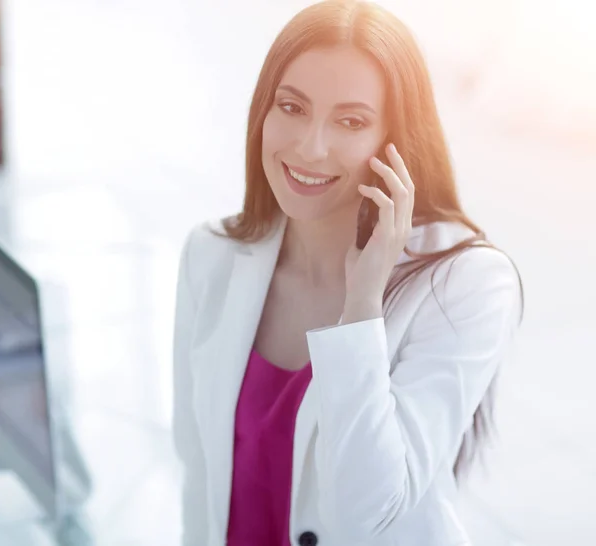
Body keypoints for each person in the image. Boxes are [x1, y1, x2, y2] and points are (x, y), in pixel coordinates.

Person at [172, 1, 524, 545]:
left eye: (351, 120)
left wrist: (363, 310)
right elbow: (199, 474)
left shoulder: (467, 284)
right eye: (292, 107)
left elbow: (369, 511)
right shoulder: (210, 255)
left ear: (397, 142)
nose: (310, 147)